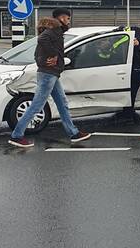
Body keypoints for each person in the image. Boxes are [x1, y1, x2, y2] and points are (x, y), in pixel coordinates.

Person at [8, 8, 92, 149]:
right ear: (60, 18)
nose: (68, 20)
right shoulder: (53, 31)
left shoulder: (54, 31)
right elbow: (42, 40)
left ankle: (73, 133)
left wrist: (47, 59)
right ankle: (17, 135)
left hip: (52, 74)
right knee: (37, 105)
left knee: (62, 104)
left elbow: (37, 54)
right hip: (48, 75)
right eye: (67, 18)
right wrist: (53, 55)